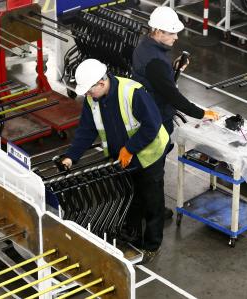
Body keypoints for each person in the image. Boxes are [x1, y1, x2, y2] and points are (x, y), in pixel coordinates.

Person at [61, 58, 169, 264]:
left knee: (152, 201)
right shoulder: (93, 99)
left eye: (89, 90)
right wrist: (70, 157)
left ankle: (152, 245)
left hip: (149, 156)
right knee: (130, 196)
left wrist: (130, 148)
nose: (87, 94)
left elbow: (152, 125)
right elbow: (86, 129)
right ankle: (132, 235)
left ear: (101, 83)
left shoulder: (132, 93)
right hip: (121, 160)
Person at [132, 6, 219, 219]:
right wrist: (201, 113)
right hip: (156, 118)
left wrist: (173, 68)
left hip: (145, 111)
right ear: (158, 32)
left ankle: (142, 208)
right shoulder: (155, 61)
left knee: (146, 166)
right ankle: (153, 214)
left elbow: (157, 79)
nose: (176, 37)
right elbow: (172, 96)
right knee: (154, 170)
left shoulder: (145, 46)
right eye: (172, 32)